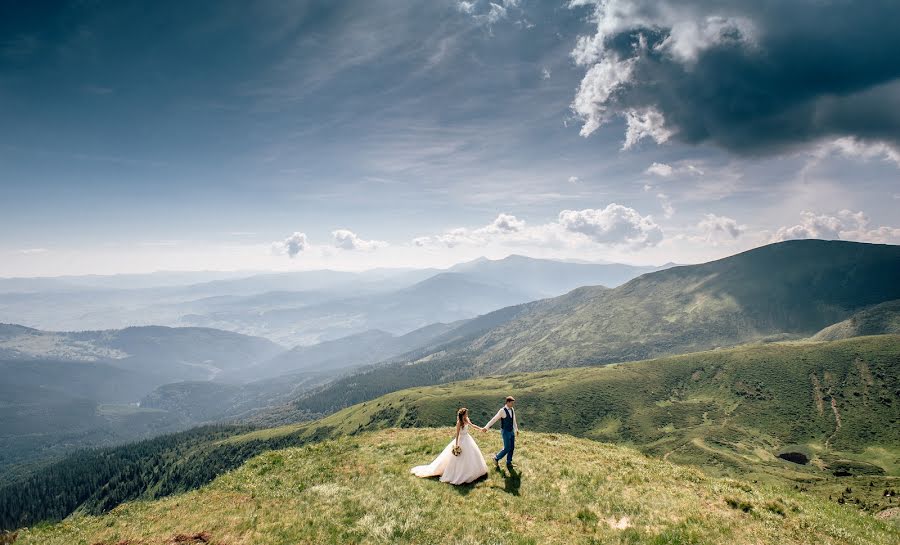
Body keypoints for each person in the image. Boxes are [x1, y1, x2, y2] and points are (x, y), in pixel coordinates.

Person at [410, 407, 488, 485]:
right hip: (461, 440)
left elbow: (472, 425)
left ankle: (471, 472)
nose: (467, 415)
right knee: (459, 458)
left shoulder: (467, 419)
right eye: (466, 413)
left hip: (467, 438)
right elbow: (457, 434)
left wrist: (481, 429)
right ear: (463, 415)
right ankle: (459, 473)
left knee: (470, 456)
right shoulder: (459, 423)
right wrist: (457, 445)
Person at [482, 396, 519, 468]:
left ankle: (509, 462)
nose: (512, 404)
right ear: (507, 402)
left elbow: (514, 420)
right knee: (507, 448)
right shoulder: (502, 411)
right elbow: (494, 419)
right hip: (505, 431)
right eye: (511, 403)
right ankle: (496, 458)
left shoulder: (512, 409)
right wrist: (486, 427)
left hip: (511, 431)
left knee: (512, 447)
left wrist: (516, 429)